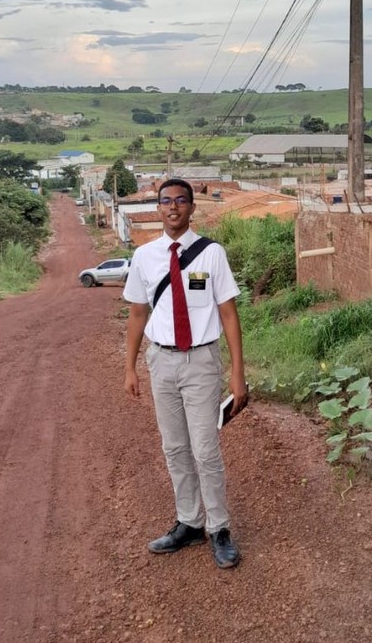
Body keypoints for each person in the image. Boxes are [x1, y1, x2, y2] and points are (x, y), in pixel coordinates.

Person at [123, 178, 248, 570]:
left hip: (202, 362)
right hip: (161, 362)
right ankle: (190, 522)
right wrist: (129, 367)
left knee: (205, 449)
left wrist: (238, 373)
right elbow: (137, 314)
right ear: (157, 208)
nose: (173, 207)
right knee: (174, 448)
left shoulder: (211, 254)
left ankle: (220, 528)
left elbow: (229, 314)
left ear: (192, 208)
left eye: (181, 201)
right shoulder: (144, 257)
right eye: (166, 201)